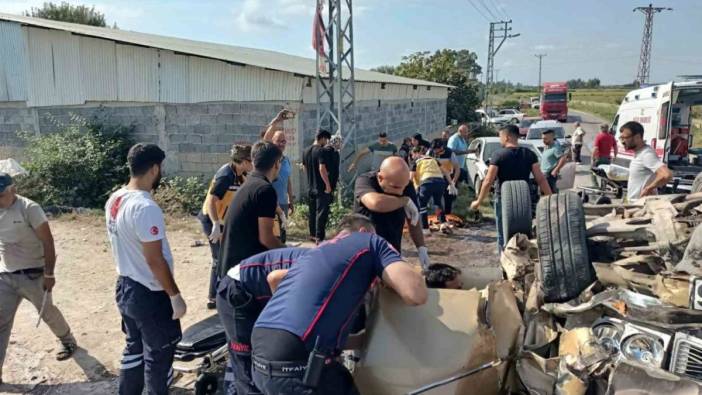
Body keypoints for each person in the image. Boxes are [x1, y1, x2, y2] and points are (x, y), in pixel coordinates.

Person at [250, 214, 427, 395]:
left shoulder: (317, 251)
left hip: (261, 354)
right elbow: (415, 293)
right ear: (364, 231)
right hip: (299, 364)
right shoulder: (369, 241)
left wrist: (365, 338)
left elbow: (276, 278)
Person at [105, 144, 187, 395]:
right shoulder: (145, 207)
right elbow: (154, 260)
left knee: (134, 348)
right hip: (149, 293)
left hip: (126, 286)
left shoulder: (115, 199)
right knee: (159, 355)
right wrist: (174, 295)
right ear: (154, 168)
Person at [0, 173, 76, 385]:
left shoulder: (29, 209)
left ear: (13, 190)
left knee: (47, 313)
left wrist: (49, 273)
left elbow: (48, 242)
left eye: (1, 195)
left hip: (33, 273)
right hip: (6, 276)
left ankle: (67, 340)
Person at [217, 246, 310, 395]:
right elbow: (274, 278)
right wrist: (279, 321)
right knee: (246, 362)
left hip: (259, 290)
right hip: (238, 289)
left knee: (264, 355)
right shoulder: (329, 267)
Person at [470, 125, 552, 250]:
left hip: (503, 199)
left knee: (503, 234)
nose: (500, 140)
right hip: (524, 199)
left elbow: (488, 181)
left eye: (500, 137)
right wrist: (551, 198)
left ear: (507, 137)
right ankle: (524, 259)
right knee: (524, 233)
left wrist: (478, 201)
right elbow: (540, 179)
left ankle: (505, 261)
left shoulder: (498, 155)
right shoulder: (529, 154)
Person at [198, 144, 252, 309]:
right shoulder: (226, 175)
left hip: (223, 220)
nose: (253, 165)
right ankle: (213, 297)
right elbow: (213, 200)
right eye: (251, 161)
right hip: (212, 220)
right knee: (219, 257)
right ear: (243, 161)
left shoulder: (240, 175)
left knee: (228, 255)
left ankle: (221, 292)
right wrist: (215, 224)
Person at [220, 141, 285, 278]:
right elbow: (266, 239)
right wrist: (288, 252)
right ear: (277, 164)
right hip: (241, 275)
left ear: (254, 162)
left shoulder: (249, 184)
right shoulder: (264, 190)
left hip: (231, 270)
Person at [354, 157, 432, 269]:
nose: (400, 192)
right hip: (364, 248)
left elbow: (413, 219)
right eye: (395, 187)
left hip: (391, 248)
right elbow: (376, 203)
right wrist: (404, 200)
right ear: (380, 178)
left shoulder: (406, 185)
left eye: (403, 187)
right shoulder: (366, 181)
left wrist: (421, 248)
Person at [262, 110, 296, 243]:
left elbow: (288, 181)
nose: (282, 144)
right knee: (270, 235)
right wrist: (277, 121)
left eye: (284, 141)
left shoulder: (286, 160)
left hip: (282, 202)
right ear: (272, 142)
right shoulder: (269, 158)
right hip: (270, 202)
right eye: (278, 141)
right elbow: (265, 140)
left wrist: (290, 201)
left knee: (282, 234)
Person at [619, 121, 673, 200]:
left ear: (637, 137)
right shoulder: (639, 153)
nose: (622, 142)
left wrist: (649, 188)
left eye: (625, 138)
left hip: (642, 206)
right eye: (621, 138)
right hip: (636, 205)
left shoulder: (646, 154)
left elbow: (666, 175)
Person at [410, 146, 457, 234]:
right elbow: (446, 171)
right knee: (437, 203)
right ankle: (443, 223)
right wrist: (451, 184)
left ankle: (425, 229)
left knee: (422, 205)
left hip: (427, 182)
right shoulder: (434, 159)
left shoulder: (416, 161)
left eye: (412, 155)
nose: (412, 157)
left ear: (416, 154)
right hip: (440, 182)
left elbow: (410, 178)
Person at [302, 130, 333, 242]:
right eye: (326, 140)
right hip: (320, 187)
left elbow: (304, 168)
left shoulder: (305, 151)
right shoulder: (321, 151)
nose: (326, 142)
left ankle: (312, 235)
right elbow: (322, 168)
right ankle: (319, 237)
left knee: (312, 212)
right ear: (323, 138)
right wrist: (327, 185)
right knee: (321, 213)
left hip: (310, 187)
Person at [429, 138, 461, 215]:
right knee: (436, 199)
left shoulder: (450, 153)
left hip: (448, 177)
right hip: (435, 177)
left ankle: (448, 215)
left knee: (448, 198)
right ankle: (438, 216)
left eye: (437, 150)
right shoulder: (430, 152)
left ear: (441, 147)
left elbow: (457, 169)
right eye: (434, 150)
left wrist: (453, 182)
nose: (435, 152)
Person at [540, 129, 568, 193]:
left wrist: (555, 170)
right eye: (542, 138)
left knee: (551, 196)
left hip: (549, 176)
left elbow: (563, 159)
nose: (543, 140)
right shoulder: (546, 147)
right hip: (544, 175)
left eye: (545, 139)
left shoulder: (555, 148)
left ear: (552, 137)